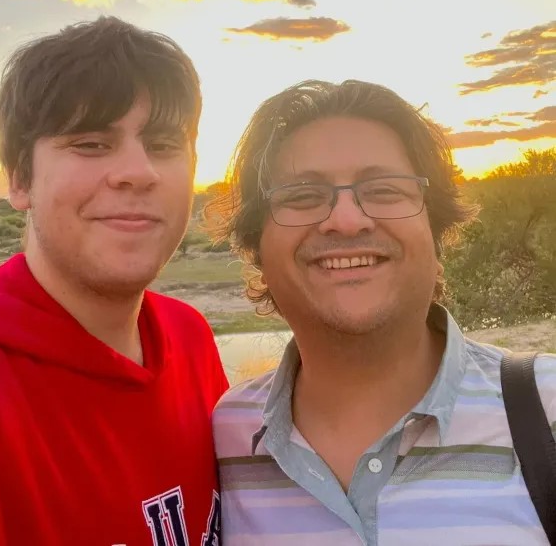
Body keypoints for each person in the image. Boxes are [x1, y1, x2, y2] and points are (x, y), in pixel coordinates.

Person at [207, 79, 556, 545]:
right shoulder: (225, 441)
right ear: (257, 249)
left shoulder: (546, 414)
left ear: (437, 232)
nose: (347, 220)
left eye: (385, 190)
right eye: (302, 196)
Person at [0, 16, 227, 546]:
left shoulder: (190, 338)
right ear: (21, 179)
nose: (139, 171)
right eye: (92, 143)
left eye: (163, 143)